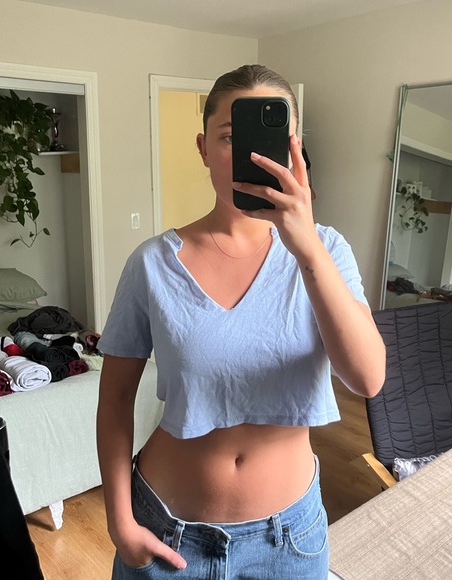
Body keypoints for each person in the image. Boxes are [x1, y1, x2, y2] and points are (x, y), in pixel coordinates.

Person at [96, 64, 386, 579]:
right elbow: (115, 399)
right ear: (204, 148)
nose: (249, 154)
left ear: (293, 149)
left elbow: (367, 378)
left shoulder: (328, 250)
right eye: (229, 136)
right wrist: (120, 521)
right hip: (167, 532)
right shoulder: (152, 264)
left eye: (267, 138)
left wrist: (306, 248)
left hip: (290, 542)